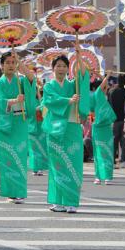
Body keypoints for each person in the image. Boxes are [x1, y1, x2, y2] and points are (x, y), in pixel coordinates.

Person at [42, 52, 90, 214]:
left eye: (64, 66)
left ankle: (71, 201)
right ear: (53, 68)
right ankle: (58, 201)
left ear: (68, 68)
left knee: (73, 164)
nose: (61, 69)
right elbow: (49, 100)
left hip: (73, 126)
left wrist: (79, 55)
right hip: (55, 129)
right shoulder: (49, 86)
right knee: (57, 165)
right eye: (58, 66)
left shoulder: (72, 85)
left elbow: (83, 76)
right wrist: (68, 101)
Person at [0, 52, 37, 204]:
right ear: (2, 66)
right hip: (5, 125)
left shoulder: (21, 81)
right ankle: (10, 192)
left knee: (20, 158)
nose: (10, 65)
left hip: (19, 123)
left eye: (13, 62)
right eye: (7, 62)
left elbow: (31, 80)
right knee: (8, 159)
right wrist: (14, 100)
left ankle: (20, 191)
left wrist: (20, 63)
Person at [90, 76, 116, 185]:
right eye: (104, 87)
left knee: (108, 151)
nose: (106, 88)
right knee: (98, 152)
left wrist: (102, 77)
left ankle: (107, 176)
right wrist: (107, 75)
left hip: (106, 127)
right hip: (98, 127)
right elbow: (102, 85)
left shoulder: (103, 97)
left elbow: (103, 86)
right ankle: (98, 176)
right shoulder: (97, 95)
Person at [109, 75, 125, 168]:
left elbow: (109, 104)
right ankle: (124, 160)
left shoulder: (112, 92)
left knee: (114, 140)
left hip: (114, 119)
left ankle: (112, 160)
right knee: (124, 141)